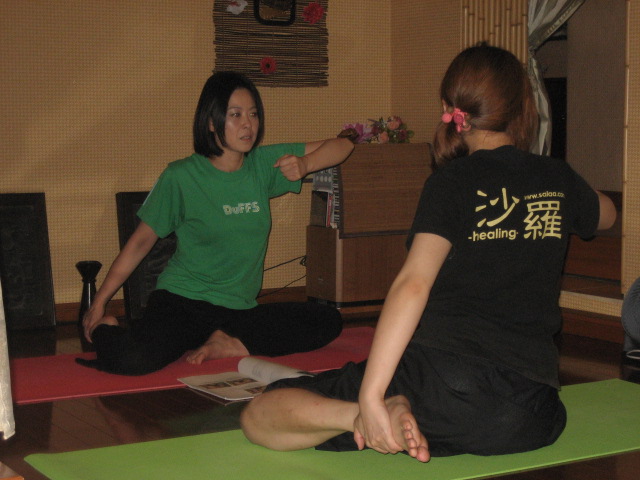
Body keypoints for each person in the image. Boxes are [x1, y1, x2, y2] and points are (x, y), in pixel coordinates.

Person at [239, 43, 617, 462]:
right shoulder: (557, 178)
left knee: (261, 414)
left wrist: (371, 396)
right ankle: (388, 410)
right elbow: (606, 215)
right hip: (531, 415)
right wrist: (561, 192)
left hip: (445, 386)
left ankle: (367, 415)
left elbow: (414, 283)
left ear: (452, 111)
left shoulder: (453, 181)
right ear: (525, 110)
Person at [81, 71, 354, 376]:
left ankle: (227, 343)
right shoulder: (181, 176)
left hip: (239, 309)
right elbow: (140, 243)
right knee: (133, 360)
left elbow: (343, 145)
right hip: (183, 302)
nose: (248, 124)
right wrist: (100, 303)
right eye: (235, 115)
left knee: (328, 320)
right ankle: (108, 328)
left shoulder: (263, 165)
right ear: (211, 122)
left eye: (253, 114)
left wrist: (306, 164)